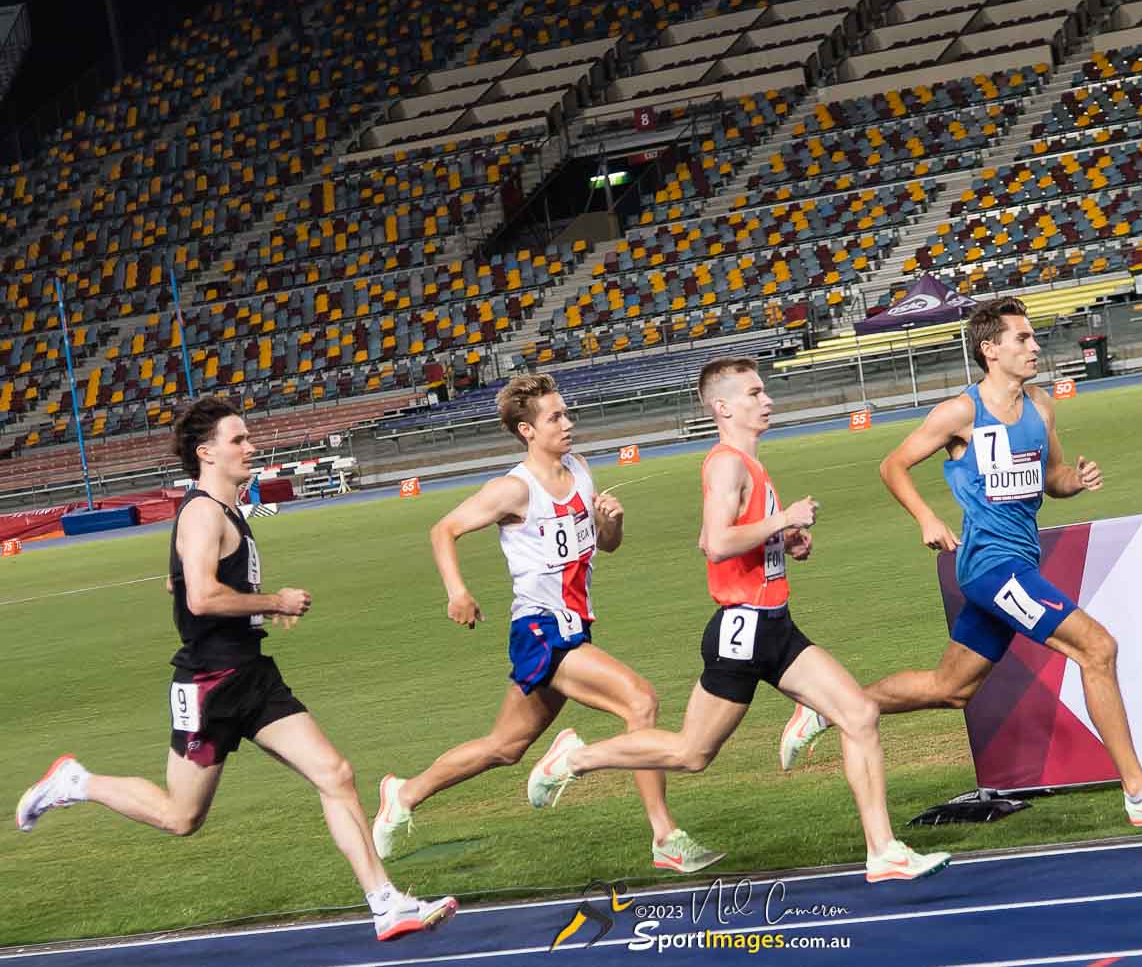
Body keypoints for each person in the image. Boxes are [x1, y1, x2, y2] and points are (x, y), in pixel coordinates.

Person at [13, 397, 456, 943]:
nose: (251, 447)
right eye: (238, 440)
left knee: (335, 773)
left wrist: (250, 606)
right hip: (208, 685)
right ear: (207, 453)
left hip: (251, 673)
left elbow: (183, 584)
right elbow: (199, 596)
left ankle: (384, 904)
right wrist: (274, 600)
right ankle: (75, 782)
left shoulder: (227, 512)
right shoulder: (201, 511)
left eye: (249, 438)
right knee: (181, 817)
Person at [780, 298, 1142, 829]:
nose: (1035, 347)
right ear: (991, 349)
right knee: (1097, 648)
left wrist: (1074, 482)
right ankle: (1140, 794)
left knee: (951, 689)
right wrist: (926, 519)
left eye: (1033, 339)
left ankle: (831, 707)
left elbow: (1051, 478)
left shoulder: (1041, 407)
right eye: (1023, 339)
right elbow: (891, 465)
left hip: (1018, 560)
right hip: (991, 566)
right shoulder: (961, 412)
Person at [526, 357, 950, 883]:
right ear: (723, 406)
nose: (765, 400)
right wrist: (784, 517)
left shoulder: (752, 465)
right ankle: (575, 758)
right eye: (753, 393)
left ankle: (883, 851)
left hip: (775, 624)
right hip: (743, 631)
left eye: (764, 391)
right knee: (690, 753)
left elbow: (746, 538)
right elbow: (715, 542)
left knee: (859, 714)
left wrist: (786, 542)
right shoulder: (725, 462)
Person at [372, 374, 722, 874]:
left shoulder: (579, 469)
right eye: (555, 417)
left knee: (505, 747)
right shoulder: (513, 488)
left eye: (566, 413)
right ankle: (663, 834)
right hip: (540, 629)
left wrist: (611, 522)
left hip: (574, 626)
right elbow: (443, 529)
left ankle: (403, 793)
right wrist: (458, 591)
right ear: (526, 430)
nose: (568, 423)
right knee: (640, 702)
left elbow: (606, 546)